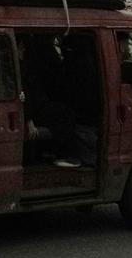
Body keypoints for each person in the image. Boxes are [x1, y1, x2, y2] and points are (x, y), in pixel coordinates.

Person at [18, 36, 92, 168]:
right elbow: (24, 95)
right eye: (22, 46)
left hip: (36, 105)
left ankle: (54, 151)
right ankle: (66, 153)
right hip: (32, 109)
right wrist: (28, 119)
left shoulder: (26, 64)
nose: (24, 49)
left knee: (64, 112)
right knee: (66, 115)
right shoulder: (20, 67)